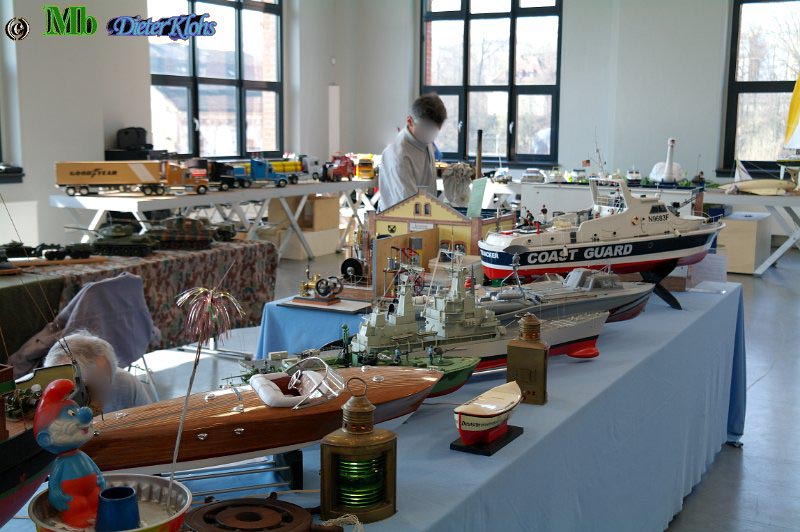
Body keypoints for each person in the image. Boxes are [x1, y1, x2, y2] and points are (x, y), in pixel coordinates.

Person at [44, 330, 154, 414]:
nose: (93, 400)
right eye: (80, 390)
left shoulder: (125, 383)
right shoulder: (36, 401)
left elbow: (150, 424)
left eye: (100, 386)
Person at [379, 93, 447, 211]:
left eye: (434, 130)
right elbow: (409, 205)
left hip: (423, 214)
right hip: (401, 218)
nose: (430, 135)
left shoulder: (424, 141)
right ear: (410, 121)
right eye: (426, 129)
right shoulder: (399, 155)